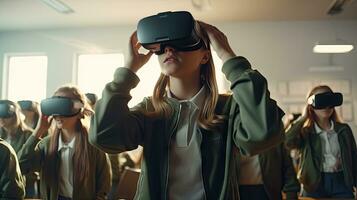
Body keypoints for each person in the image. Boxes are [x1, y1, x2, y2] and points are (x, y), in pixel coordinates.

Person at [89, 12, 284, 199]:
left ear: (205, 56)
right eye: (163, 46)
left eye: (182, 42)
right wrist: (128, 70)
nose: (169, 49)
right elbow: (103, 136)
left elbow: (263, 134)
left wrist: (227, 55)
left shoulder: (228, 108)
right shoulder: (150, 110)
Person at [18, 85, 112, 200]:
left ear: (79, 109)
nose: (58, 115)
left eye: (64, 107)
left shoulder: (94, 145)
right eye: (55, 107)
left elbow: (103, 187)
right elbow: (21, 166)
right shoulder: (46, 145)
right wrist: (38, 131)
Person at [285, 85, 357, 199]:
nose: (327, 106)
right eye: (321, 101)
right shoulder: (305, 132)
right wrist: (303, 117)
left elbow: (354, 158)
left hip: (341, 182)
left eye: (330, 100)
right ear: (311, 106)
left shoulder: (344, 130)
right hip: (313, 184)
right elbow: (286, 142)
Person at [0, 100, 39, 198]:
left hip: (26, 184)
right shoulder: (1, 137)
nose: (2, 119)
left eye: (5, 115)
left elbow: (25, 162)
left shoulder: (31, 136)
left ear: (15, 115)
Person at [235, 142, 300, 200]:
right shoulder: (230, 133)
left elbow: (287, 168)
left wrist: (291, 193)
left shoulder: (272, 133)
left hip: (267, 191)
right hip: (237, 191)